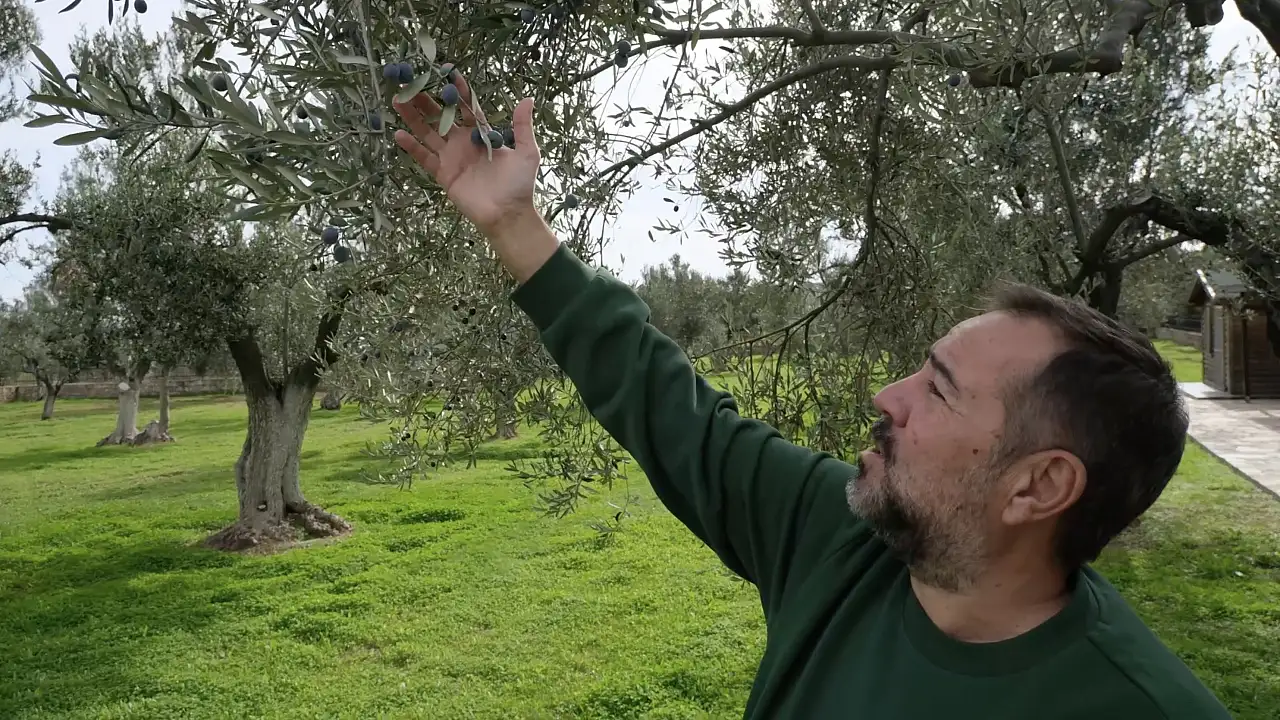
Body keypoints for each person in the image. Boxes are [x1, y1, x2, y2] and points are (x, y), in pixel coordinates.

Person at [391, 76, 1234, 719]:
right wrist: (513, 223)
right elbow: (668, 407)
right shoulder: (835, 537)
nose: (888, 397)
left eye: (939, 391)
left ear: (1038, 486)